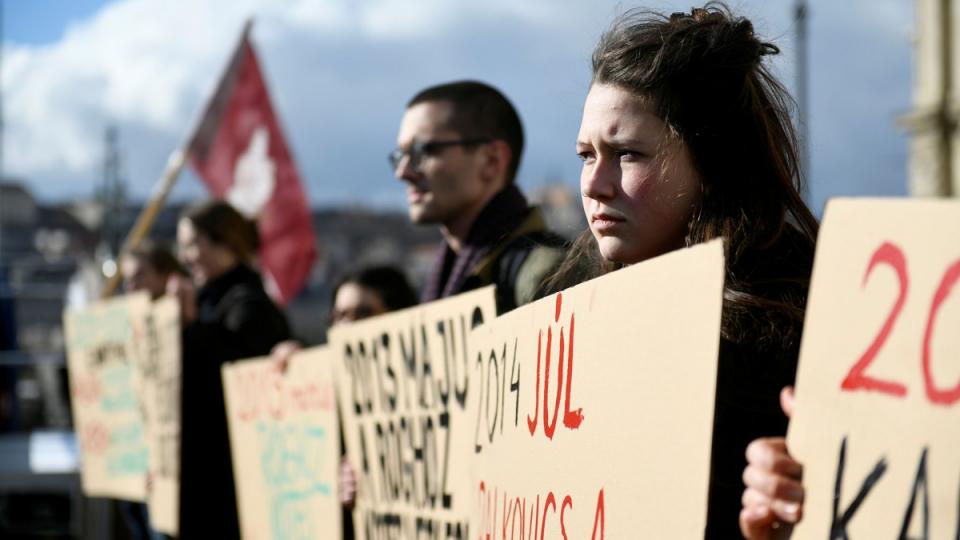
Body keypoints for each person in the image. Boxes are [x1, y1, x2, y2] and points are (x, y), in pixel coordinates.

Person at [539, 5, 819, 537]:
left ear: (711, 165)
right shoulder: (566, 321)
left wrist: (803, 499)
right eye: (584, 155)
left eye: (626, 154)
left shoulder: (798, 327)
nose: (595, 184)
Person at [270, 265, 417, 540]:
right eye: (339, 315)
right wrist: (297, 366)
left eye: (363, 313)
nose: (347, 325)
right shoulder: (326, 386)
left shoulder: (423, 389)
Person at [392, 80, 565, 313]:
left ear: (491, 160)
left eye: (421, 151)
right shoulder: (444, 278)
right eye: (400, 155)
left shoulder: (546, 275)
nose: (403, 172)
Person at [174, 201, 291, 539]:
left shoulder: (249, 306)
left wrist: (191, 327)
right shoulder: (211, 300)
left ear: (225, 243)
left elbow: (232, 378)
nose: (185, 257)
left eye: (192, 245)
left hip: (227, 484)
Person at [118, 240, 185, 540]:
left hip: (168, 470)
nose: (130, 286)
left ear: (165, 275)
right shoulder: (127, 324)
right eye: (126, 279)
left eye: (139, 275)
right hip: (133, 462)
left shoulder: (185, 319)